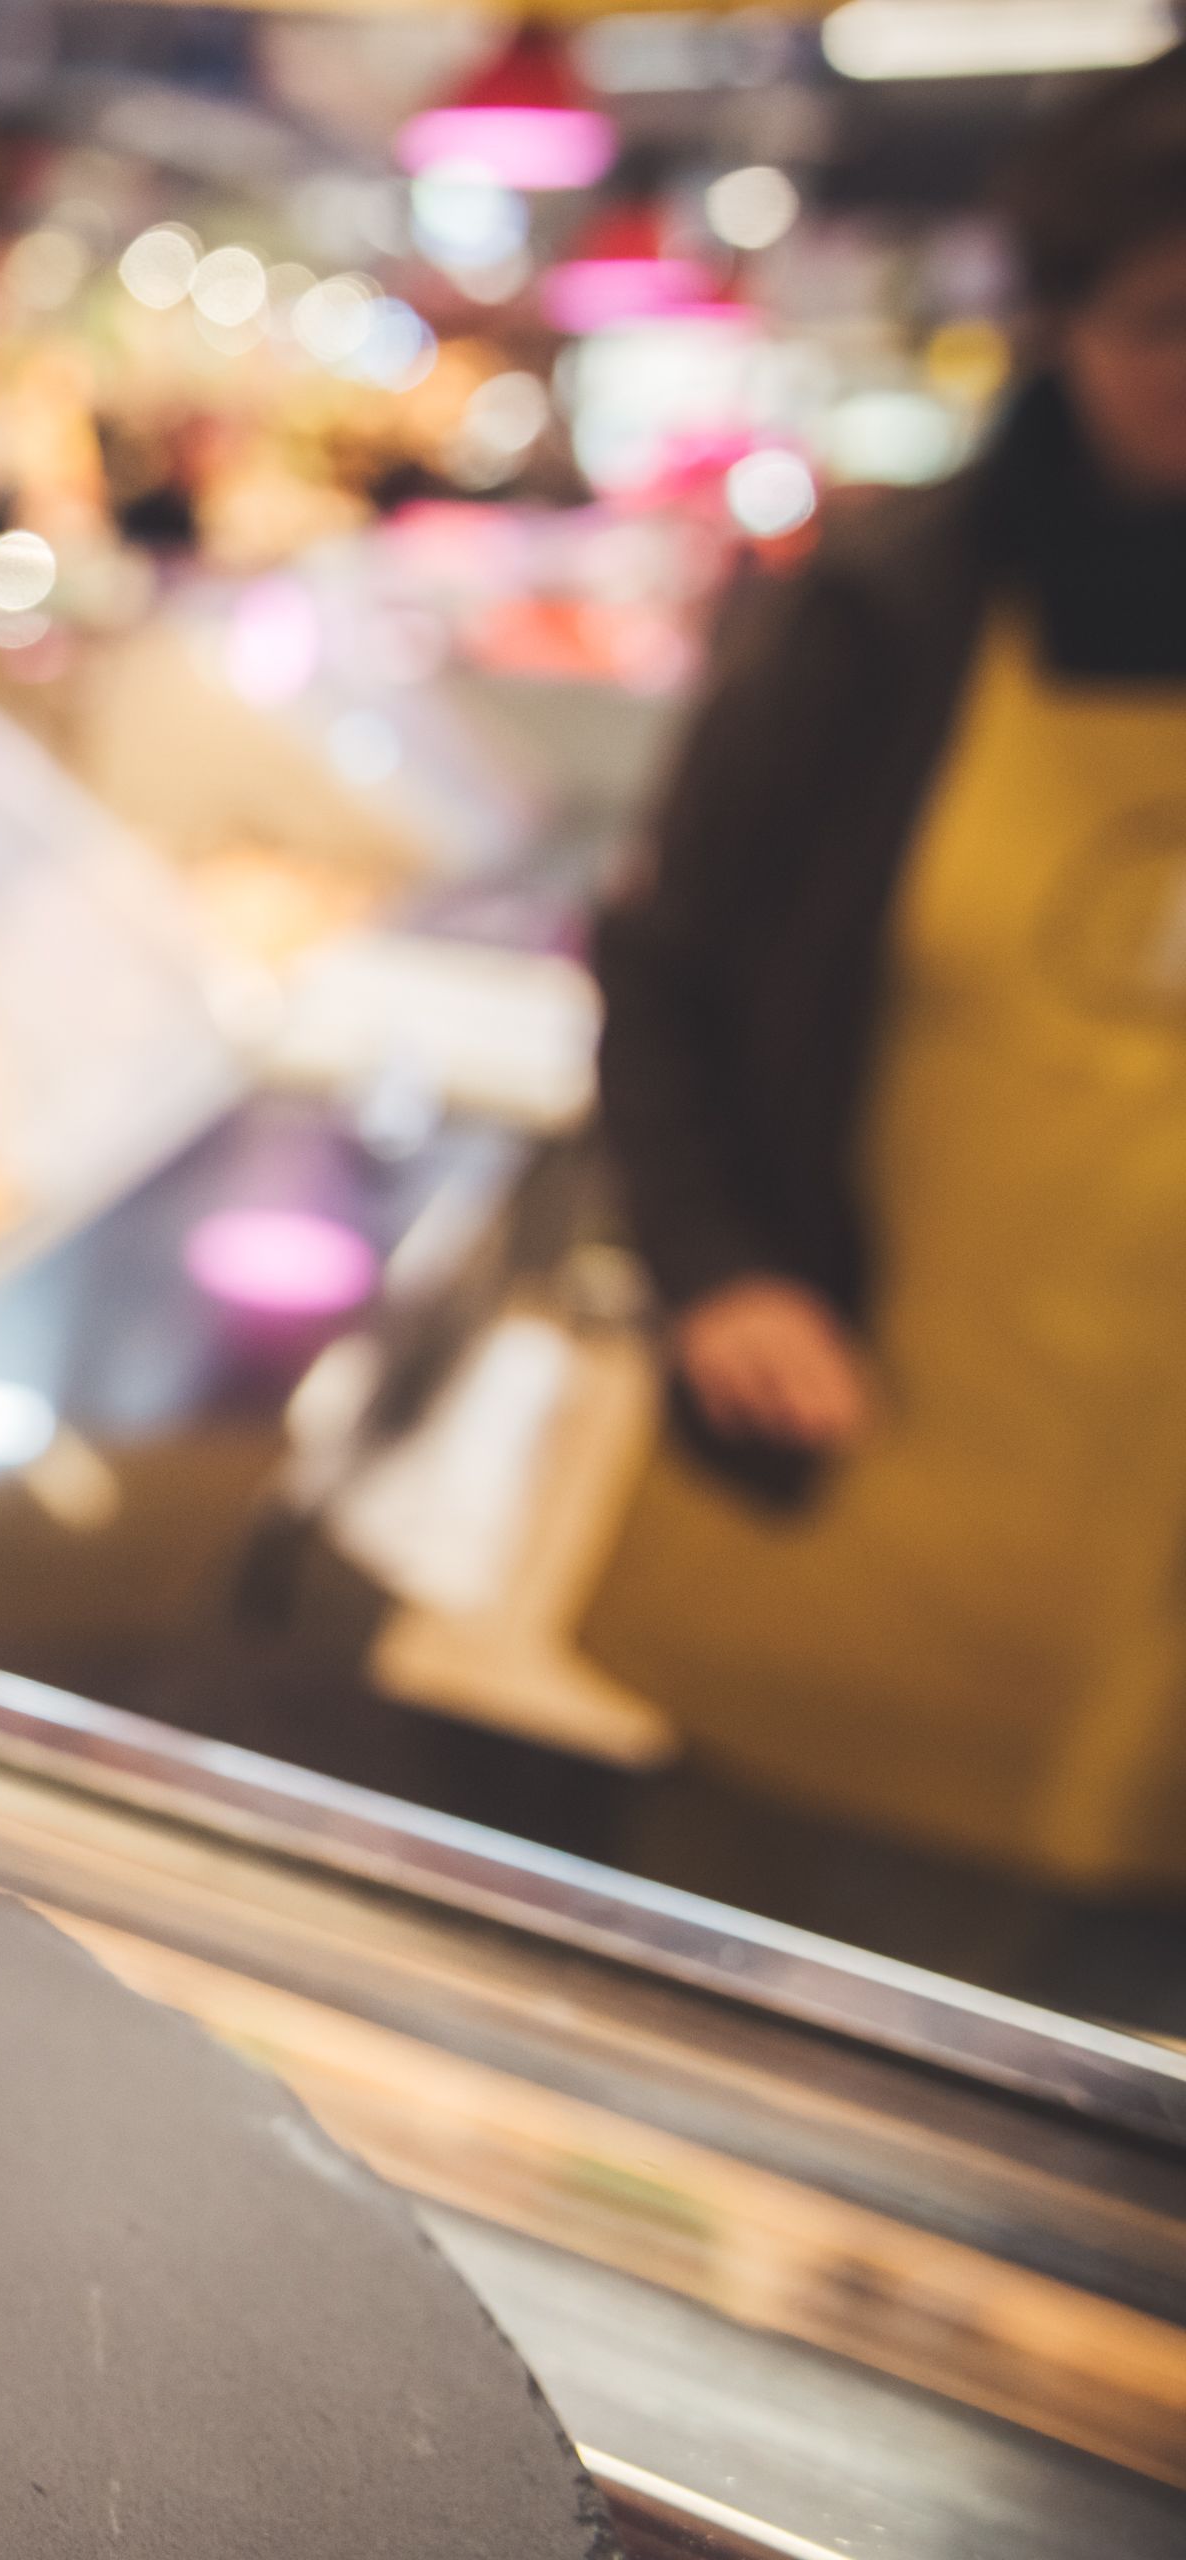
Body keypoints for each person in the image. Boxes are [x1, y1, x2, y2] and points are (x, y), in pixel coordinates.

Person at [584, 49, 1186, 1891]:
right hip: (857, 1504)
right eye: (1170, 322)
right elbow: (661, 967)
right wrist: (720, 1266)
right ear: (1062, 322)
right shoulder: (886, 614)